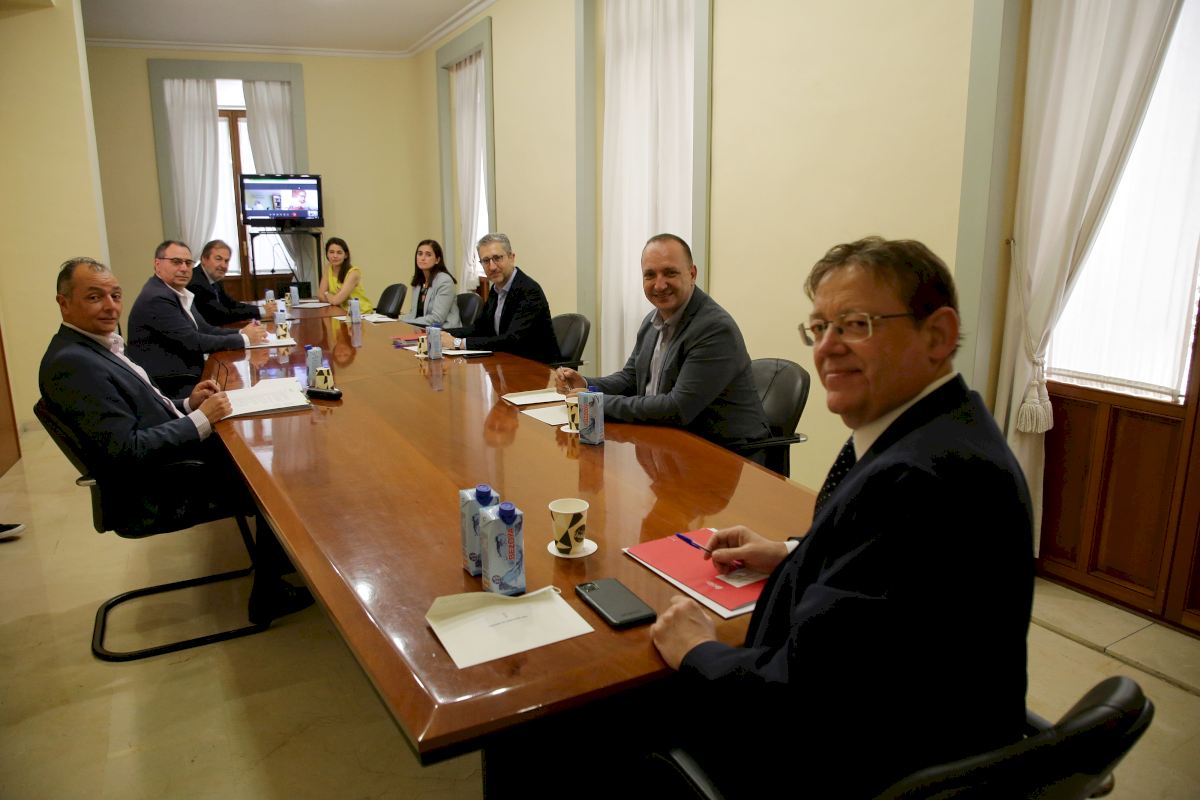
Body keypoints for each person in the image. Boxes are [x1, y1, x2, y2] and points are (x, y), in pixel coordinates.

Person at [648, 237, 1034, 798]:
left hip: (860, 769)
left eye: (854, 325)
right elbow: (889, 578)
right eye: (819, 328)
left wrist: (698, 649)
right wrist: (790, 552)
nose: (826, 348)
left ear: (938, 335)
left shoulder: (918, 479)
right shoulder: (937, 428)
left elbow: (797, 701)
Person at [39, 257, 311, 623]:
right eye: (94, 297)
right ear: (64, 303)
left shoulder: (92, 347)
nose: (110, 306)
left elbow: (142, 409)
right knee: (274, 471)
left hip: (166, 461)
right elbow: (127, 449)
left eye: (115, 295)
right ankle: (269, 591)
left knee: (266, 444)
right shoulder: (73, 364)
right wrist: (202, 419)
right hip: (154, 489)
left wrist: (187, 404)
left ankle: (280, 559)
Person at [554, 233, 769, 455]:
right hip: (668, 445)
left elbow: (677, 408)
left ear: (692, 274)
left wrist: (594, 402)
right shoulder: (652, 321)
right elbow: (631, 378)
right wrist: (585, 384)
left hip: (722, 454)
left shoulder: (714, 329)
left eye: (670, 273)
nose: (659, 284)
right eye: (650, 275)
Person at [127, 240, 267, 397]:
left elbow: (206, 329)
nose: (184, 268)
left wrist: (242, 333)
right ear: (157, 264)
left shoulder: (176, 291)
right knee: (241, 395)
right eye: (176, 262)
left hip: (186, 374)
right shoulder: (157, 298)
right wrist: (244, 339)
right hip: (170, 385)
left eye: (188, 263)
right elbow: (194, 341)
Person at [439, 233, 559, 363]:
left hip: (537, 367)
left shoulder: (529, 290)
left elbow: (512, 340)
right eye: (486, 261)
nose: (492, 267)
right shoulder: (496, 289)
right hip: (506, 363)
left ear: (511, 257)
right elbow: (479, 328)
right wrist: (440, 333)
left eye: (497, 258)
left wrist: (458, 343)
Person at [187, 239, 276, 325]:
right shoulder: (196, 282)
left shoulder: (213, 277)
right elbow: (220, 315)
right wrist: (260, 311)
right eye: (218, 259)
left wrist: (262, 309)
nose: (223, 265)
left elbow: (231, 304)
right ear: (204, 259)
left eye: (226, 261)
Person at [401, 239, 463, 328]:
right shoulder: (418, 282)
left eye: (428, 255)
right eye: (420, 254)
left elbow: (437, 319)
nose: (422, 258)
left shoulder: (444, 281)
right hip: (422, 329)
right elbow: (413, 314)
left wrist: (407, 322)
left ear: (437, 260)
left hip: (444, 330)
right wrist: (398, 320)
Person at [318, 237, 375, 313]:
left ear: (346, 255)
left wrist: (327, 294)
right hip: (342, 313)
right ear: (327, 254)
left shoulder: (354, 273)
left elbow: (335, 301)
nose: (335, 256)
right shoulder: (328, 268)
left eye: (339, 253)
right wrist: (333, 297)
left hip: (361, 313)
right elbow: (321, 296)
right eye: (331, 252)